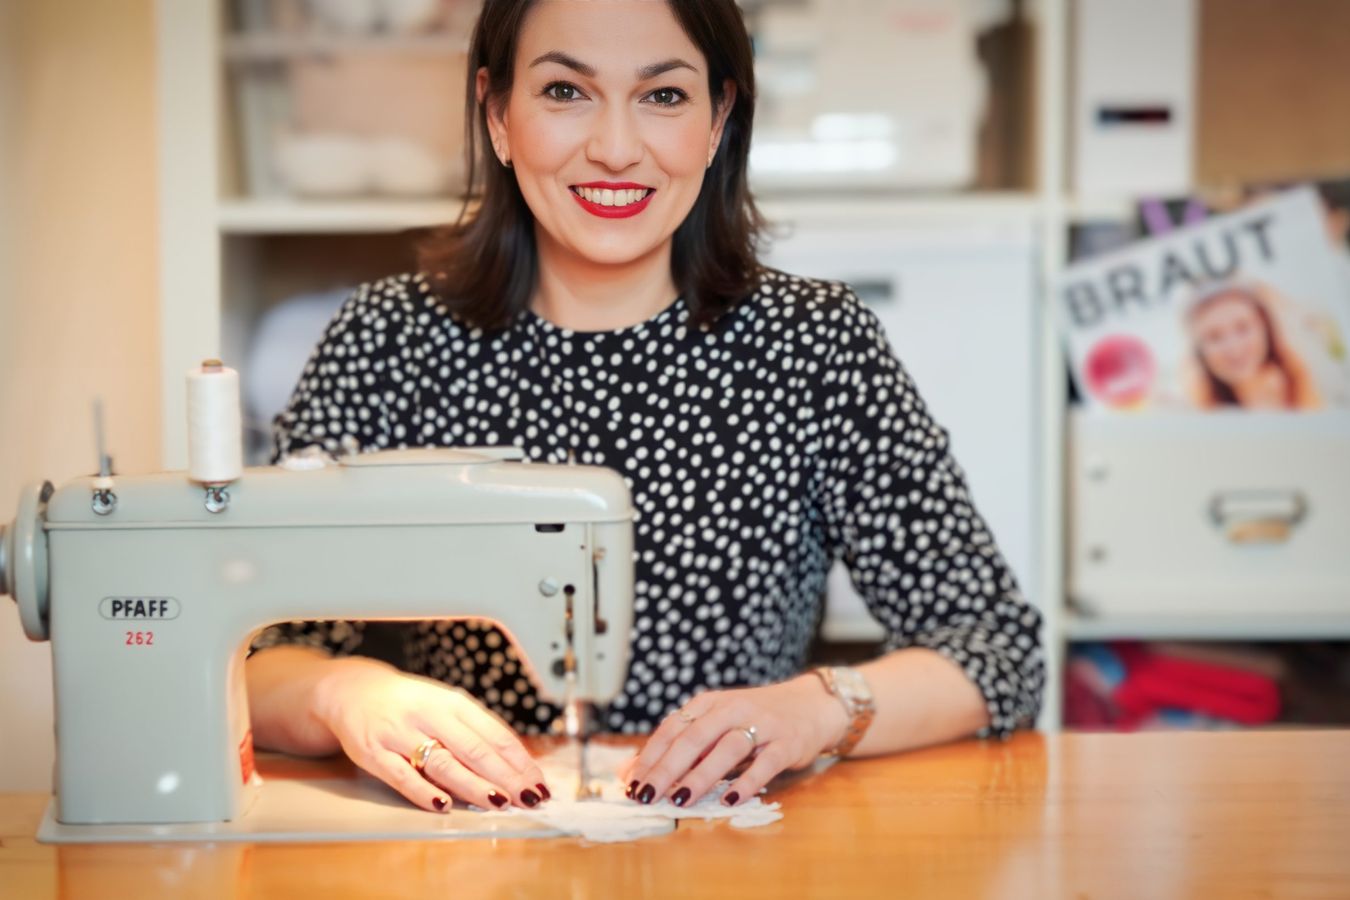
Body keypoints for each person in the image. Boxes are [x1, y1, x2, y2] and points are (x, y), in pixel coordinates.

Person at [247, 0, 1044, 815]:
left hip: (738, 858)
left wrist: (814, 710)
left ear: (718, 119)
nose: (617, 149)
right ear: (497, 114)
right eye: (565, 92)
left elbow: (994, 650)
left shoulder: (816, 346)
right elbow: (258, 653)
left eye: (663, 96)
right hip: (476, 852)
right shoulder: (389, 340)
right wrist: (346, 694)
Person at [1183, 282, 1321, 410]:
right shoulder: (1198, 412)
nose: (1233, 347)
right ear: (1199, 351)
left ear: (1265, 327)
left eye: (1243, 328)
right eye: (1215, 337)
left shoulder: (1312, 385)